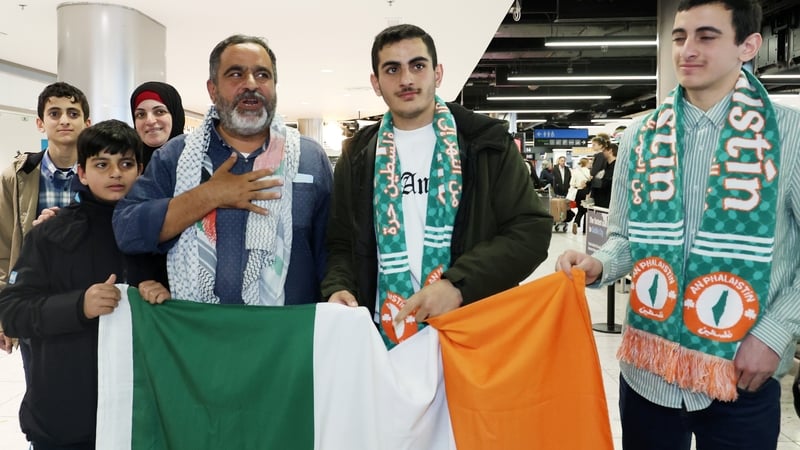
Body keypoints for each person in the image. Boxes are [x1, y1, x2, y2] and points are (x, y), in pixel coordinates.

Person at [556, 1, 800, 448]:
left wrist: (775, 332)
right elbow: (626, 237)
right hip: (649, 368)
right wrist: (597, 265)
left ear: (748, 46)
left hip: (742, 366)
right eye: (679, 37)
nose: (688, 50)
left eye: (706, 37)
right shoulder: (641, 136)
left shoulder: (789, 134)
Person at [322, 24, 552, 348]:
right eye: (392, 69)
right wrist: (339, 287)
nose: (406, 79)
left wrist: (457, 286)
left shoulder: (485, 141)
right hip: (383, 336)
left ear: (438, 73)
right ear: (376, 83)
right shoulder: (358, 153)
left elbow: (531, 230)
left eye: (418, 65)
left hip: (469, 330)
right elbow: (341, 242)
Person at [113, 34, 333, 306]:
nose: (251, 84)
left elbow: (331, 250)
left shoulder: (309, 158)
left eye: (262, 75)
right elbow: (128, 230)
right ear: (213, 89)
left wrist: (339, 293)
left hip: (286, 336)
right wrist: (209, 195)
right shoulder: (175, 156)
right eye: (236, 74)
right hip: (199, 332)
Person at [0, 119, 166, 450]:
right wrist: (79, 306)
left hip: (141, 415)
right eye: (102, 164)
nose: (116, 173)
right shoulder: (51, 234)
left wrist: (162, 293)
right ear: (82, 173)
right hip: (65, 419)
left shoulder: (160, 237)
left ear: (140, 170)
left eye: (126, 163)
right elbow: (12, 312)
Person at [0, 82, 90, 371]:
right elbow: (3, 247)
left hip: (88, 299)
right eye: (54, 113)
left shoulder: (102, 174)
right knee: (41, 393)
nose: (64, 120)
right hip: (35, 303)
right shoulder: (17, 177)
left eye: (73, 113)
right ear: (41, 123)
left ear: (87, 123)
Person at [130, 81, 186, 169]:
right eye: (141, 114)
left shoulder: (198, 162)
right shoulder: (126, 165)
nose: (150, 121)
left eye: (159, 112)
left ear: (175, 117)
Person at [569, 157, 592, 234]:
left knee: (580, 209)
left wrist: (578, 185)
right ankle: (585, 229)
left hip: (578, 192)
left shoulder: (575, 171)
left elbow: (571, 183)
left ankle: (576, 222)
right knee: (586, 211)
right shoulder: (589, 172)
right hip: (587, 192)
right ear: (586, 163)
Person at [592, 143, 617, 208]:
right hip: (601, 200)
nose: (603, 153)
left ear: (610, 151)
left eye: (604, 151)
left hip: (609, 201)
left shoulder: (616, 167)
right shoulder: (606, 166)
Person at [588, 133, 611, 202]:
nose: (592, 146)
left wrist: (591, 170)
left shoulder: (600, 155)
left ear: (600, 145)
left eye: (594, 145)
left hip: (598, 183)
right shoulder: (604, 155)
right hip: (602, 182)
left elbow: (594, 170)